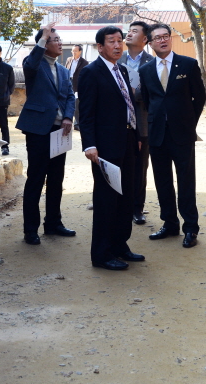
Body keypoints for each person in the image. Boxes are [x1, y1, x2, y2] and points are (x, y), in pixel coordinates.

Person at [80, 25, 144, 270]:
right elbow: (85, 113)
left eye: (120, 40)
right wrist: (90, 145)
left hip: (128, 142)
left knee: (126, 196)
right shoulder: (91, 73)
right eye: (111, 41)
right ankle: (102, 254)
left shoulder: (123, 71)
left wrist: (136, 135)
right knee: (107, 199)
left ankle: (120, 245)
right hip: (104, 147)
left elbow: (129, 106)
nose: (118, 45)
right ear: (100, 46)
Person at [138, 22, 206, 248]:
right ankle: (169, 223)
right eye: (157, 38)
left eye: (166, 36)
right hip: (157, 134)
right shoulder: (145, 70)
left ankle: (190, 228)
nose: (163, 40)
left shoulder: (188, 64)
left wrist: (189, 123)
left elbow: (199, 97)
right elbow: (148, 101)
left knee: (186, 181)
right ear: (150, 43)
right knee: (162, 180)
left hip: (183, 134)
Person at [17, 23, 77, 245]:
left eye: (60, 39)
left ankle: (53, 223)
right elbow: (32, 62)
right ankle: (30, 229)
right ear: (44, 43)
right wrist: (43, 36)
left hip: (60, 130)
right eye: (55, 39)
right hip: (38, 130)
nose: (60, 42)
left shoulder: (63, 69)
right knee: (36, 178)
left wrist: (69, 117)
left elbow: (70, 96)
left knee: (56, 178)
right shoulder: (33, 65)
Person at [118, 21, 154, 225]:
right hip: (117, 122)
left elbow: (153, 91)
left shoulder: (152, 62)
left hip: (142, 123)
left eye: (134, 32)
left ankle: (137, 208)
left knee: (140, 167)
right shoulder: (116, 58)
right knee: (119, 164)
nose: (129, 34)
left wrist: (134, 93)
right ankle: (119, 205)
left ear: (145, 39)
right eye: (128, 31)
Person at [65, 44, 89, 130]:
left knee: (76, 103)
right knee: (66, 101)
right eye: (72, 51)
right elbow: (65, 70)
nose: (73, 52)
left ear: (80, 52)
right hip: (68, 82)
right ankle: (67, 121)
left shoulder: (84, 62)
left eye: (75, 51)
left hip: (78, 85)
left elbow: (86, 75)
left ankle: (77, 123)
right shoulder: (68, 59)